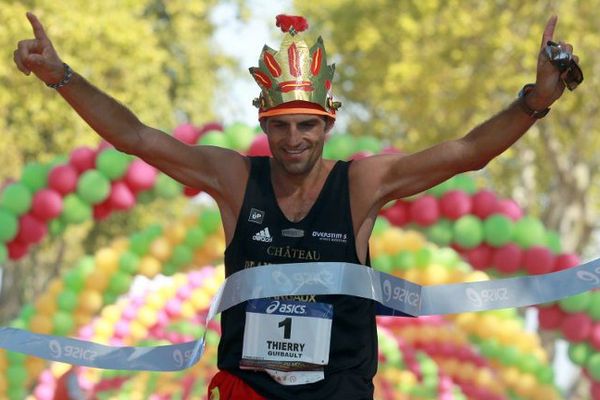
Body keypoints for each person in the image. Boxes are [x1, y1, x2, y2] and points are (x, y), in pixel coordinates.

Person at [14, 11, 578, 400]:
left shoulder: (362, 184)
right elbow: (136, 137)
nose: (294, 141)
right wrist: (61, 77)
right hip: (248, 389)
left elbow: (468, 153)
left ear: (328, 124)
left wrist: (535, 101)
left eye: (308, 126)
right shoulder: (235, 178)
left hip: (339, 390)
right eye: (280, 127)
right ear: (264, 124)